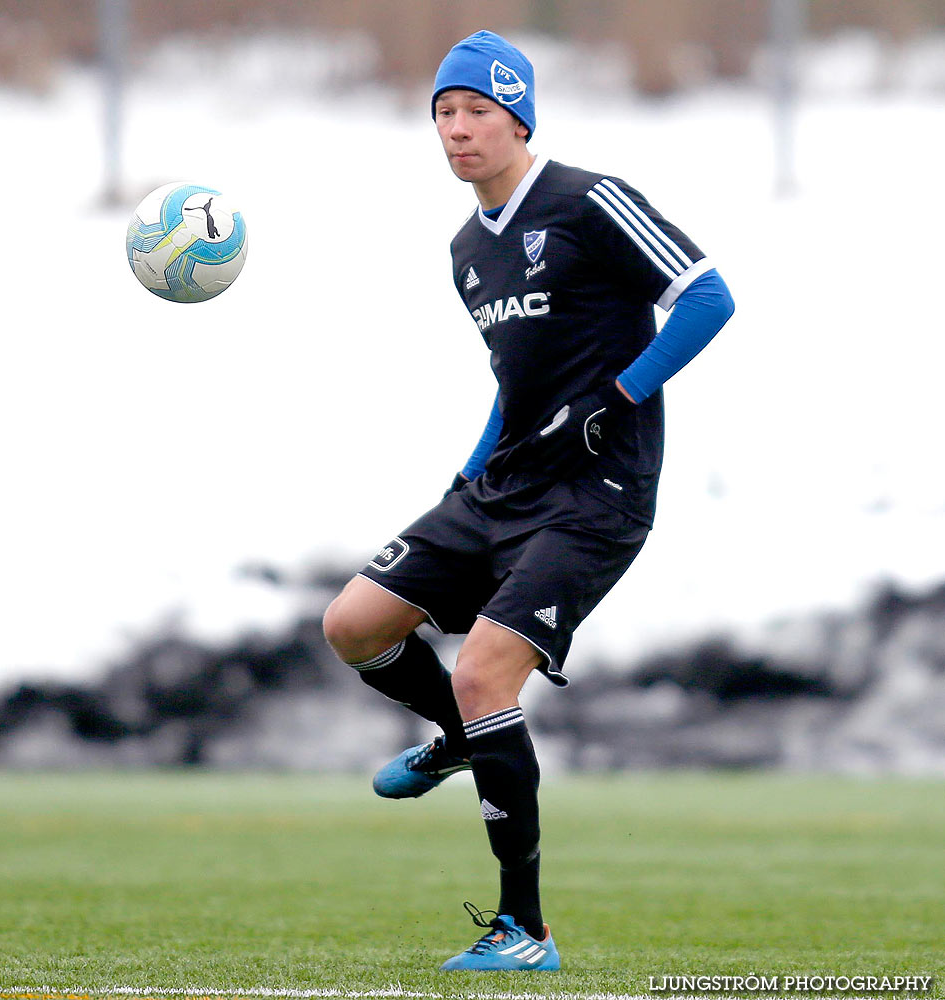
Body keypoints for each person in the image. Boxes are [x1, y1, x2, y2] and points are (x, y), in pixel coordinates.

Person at [322, 31, 733, 972]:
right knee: (354, 623)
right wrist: (465, 477)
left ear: (520, 119)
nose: (458, 131)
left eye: (477, 112)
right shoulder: (467, 249)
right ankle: (466, 740)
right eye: (443, 114)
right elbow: (516, 383)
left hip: (597, 493)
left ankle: (525, 932)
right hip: (501, 486)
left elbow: (708, 297)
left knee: (482, 670)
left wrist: (618, 398)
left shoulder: (589, 200)